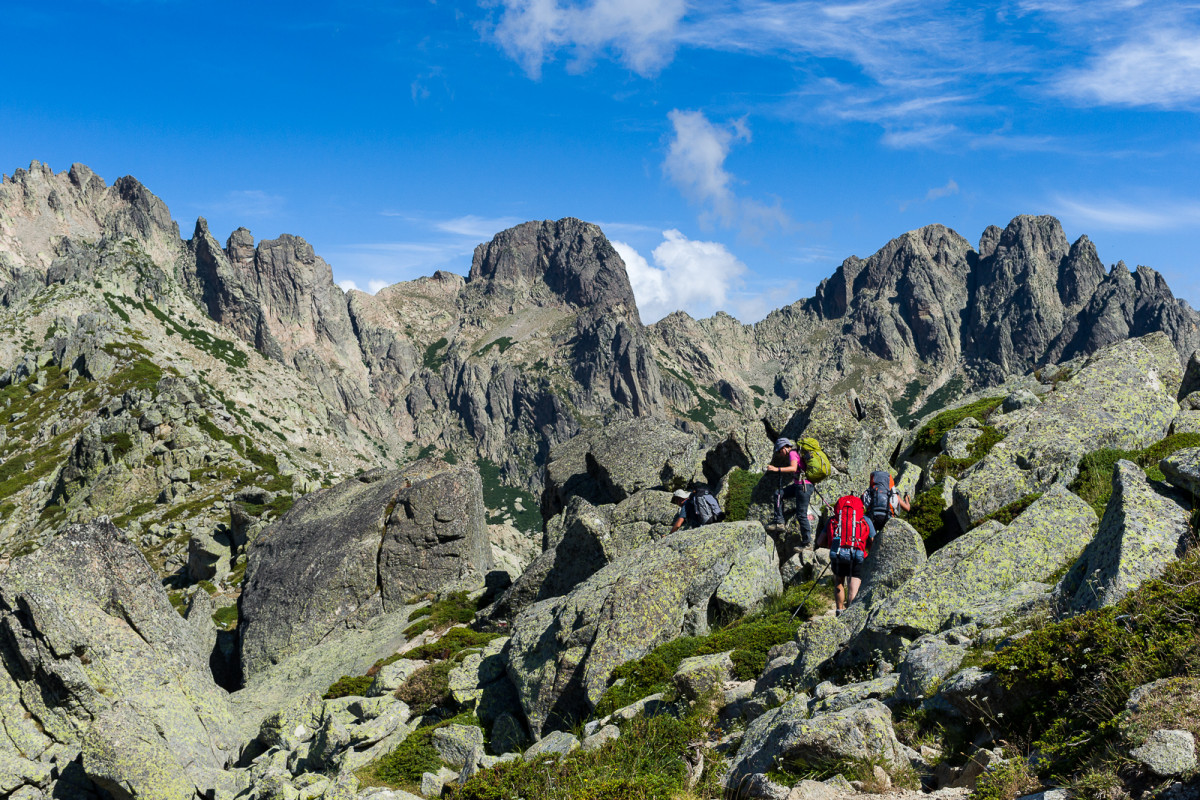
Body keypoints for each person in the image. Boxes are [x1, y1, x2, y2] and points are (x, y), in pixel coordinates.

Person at [815, 494, 876, 613]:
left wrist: (832, 545)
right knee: (853, 585)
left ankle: (839, 611)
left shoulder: (833, 519)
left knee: (839, 582)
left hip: (838, 553)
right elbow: (873, 542)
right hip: (858, 554)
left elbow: (819, 541)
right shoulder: (865, 519)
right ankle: (851, 614)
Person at [765, 438, 813, 548]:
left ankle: (807, 543)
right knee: (778, 493)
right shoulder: (796, 453)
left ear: (784, 447)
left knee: (801, 515)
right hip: (800, 485)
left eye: (779, 451)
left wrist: (776, 469)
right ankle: (779, 521)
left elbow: (793, 468)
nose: (779, 454)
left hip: (803, 486)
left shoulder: (792, 453)